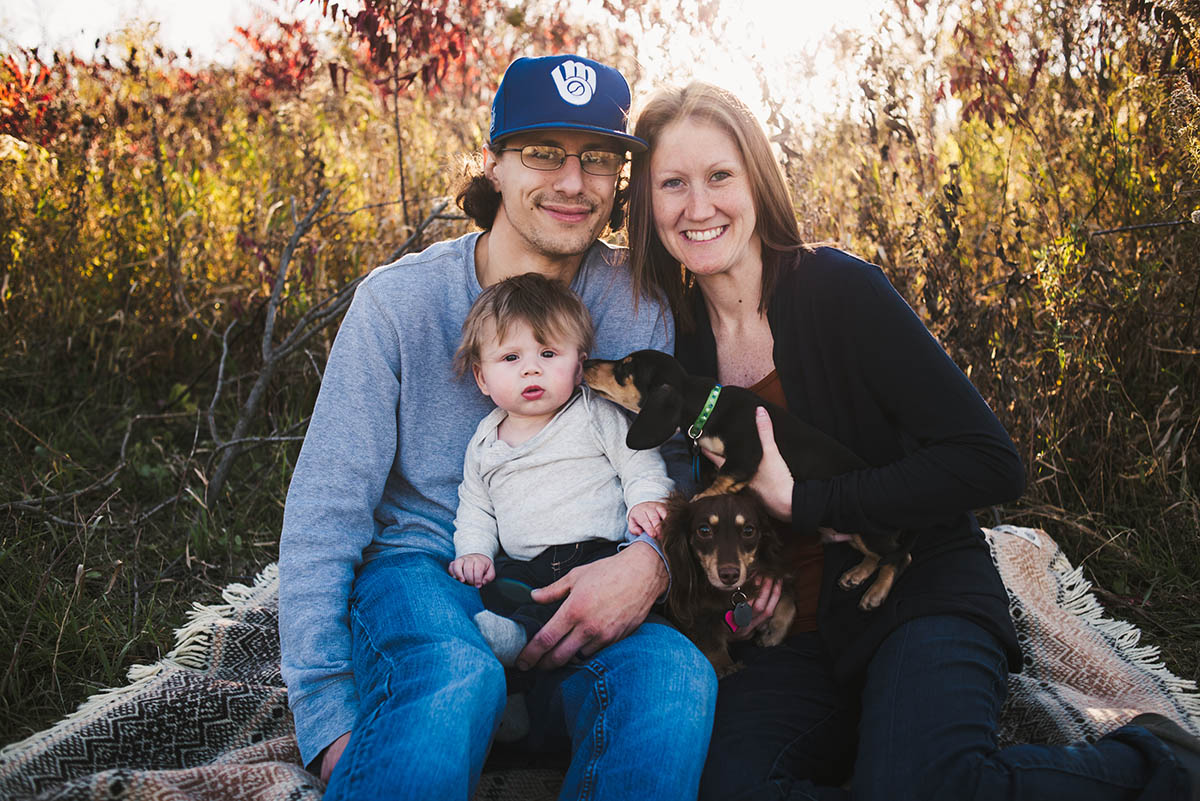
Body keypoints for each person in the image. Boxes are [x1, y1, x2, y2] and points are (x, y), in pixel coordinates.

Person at [626, 81, 1200, 801]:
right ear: (648, 204)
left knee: (925, 784)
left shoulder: (839, 290)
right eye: (672, 184)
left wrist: (807, 499)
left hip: (920, 596)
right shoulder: (671, 337)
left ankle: (1162, 762)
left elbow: (989, 462)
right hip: (788, 638)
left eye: (719, 176)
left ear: (757, 182)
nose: (698, 206)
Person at [278, 56, 716, 801]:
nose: (573, 183)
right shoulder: (397, 304)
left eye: (598, 159)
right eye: (543, 152)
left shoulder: (637, 302)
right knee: (457, 673)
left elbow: (671, 466)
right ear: (494, 163)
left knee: (676, 675)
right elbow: (326, 511)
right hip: (430, 573)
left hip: (578, 574)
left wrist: (649, 563)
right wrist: (327, 717)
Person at [448, 272, 672, 664]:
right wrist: (474, 552)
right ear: (482, 377)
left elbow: (638, 460)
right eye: (510, 358)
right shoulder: (485, 441)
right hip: (526, 567)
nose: (530, 370)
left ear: (579, 366)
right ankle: (514, 668)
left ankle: (524, 649)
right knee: (500, 595)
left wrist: (646, 501)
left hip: (601, 555)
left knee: (625, 612)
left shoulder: (593, 413)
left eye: (548, 354)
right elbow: (476, 506)